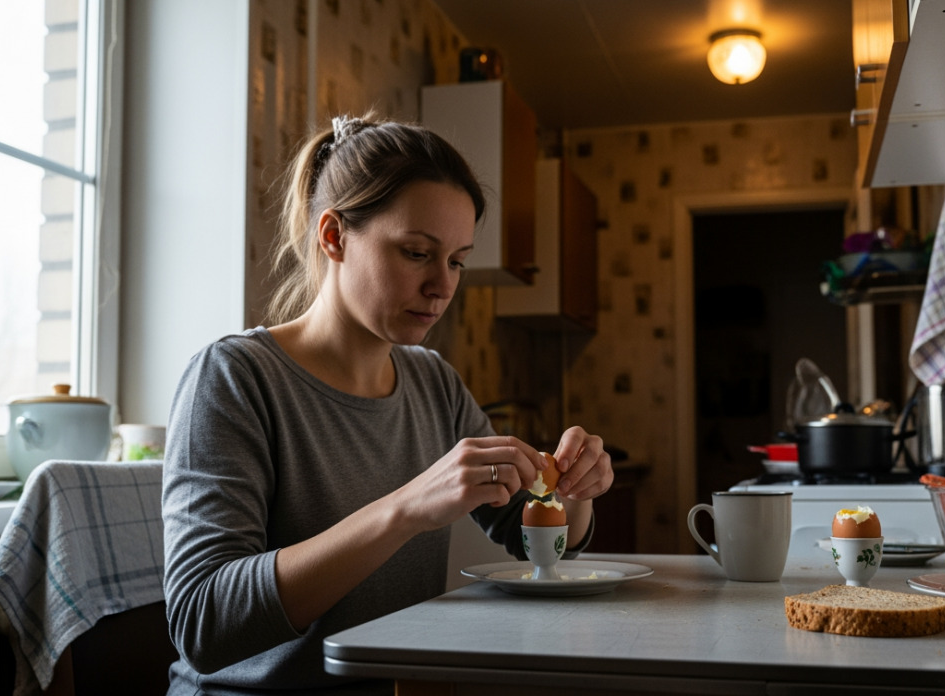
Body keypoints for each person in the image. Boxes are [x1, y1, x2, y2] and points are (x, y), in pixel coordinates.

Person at [161, 114, 613, 695]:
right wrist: (405, 509)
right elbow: (204, 623)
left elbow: (525, 534)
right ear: (333, 237)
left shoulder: (434, 382)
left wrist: (571, 495)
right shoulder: (233, 378)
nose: (443, 286)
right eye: (416, 253)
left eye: (455, 261)